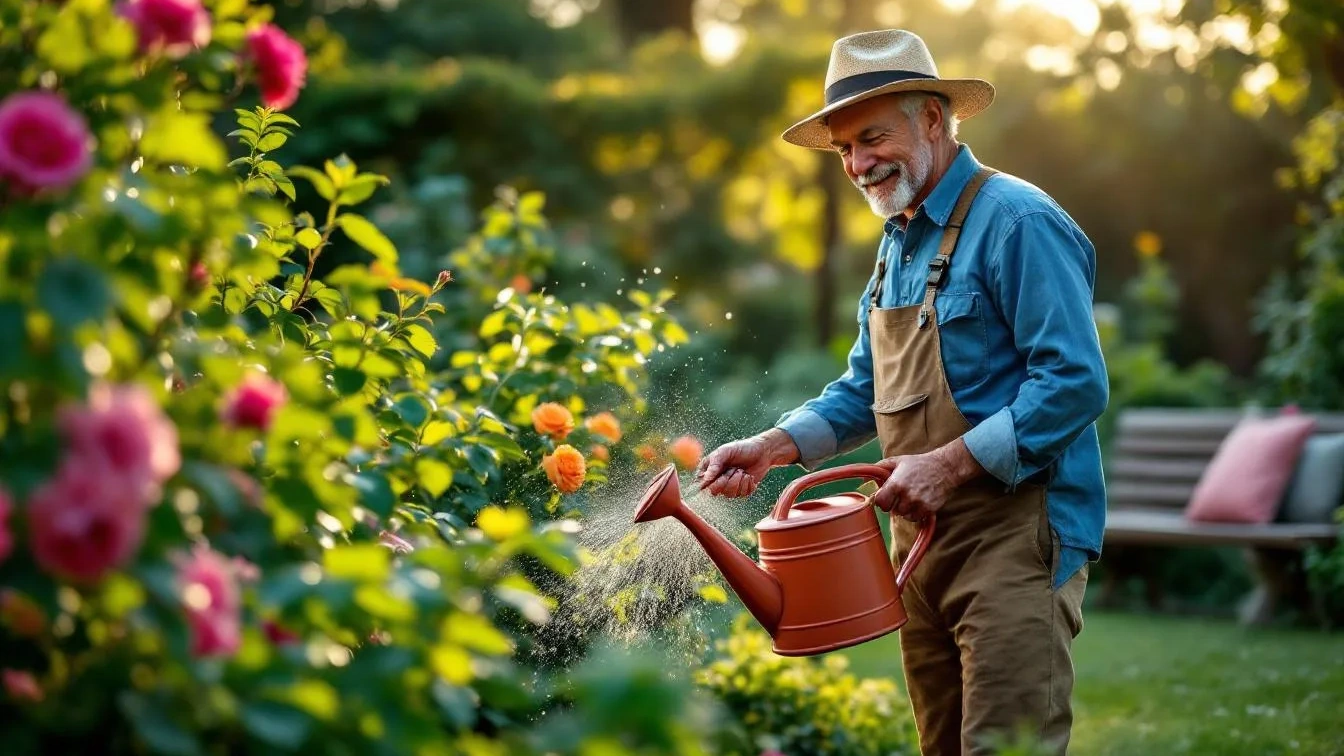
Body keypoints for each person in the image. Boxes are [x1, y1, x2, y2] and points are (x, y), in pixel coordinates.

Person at [694, 29, 1109, 756]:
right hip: (919, 544)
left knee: (1005, 746)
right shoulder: (898, 243)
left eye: (872, 137)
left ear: (933, 120)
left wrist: (947, 465)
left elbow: (1074, 382)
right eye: (846, 148)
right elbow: (865, 388)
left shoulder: (1019, 221)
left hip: (1017, 540)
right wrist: (774, 445)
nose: (858, 164)